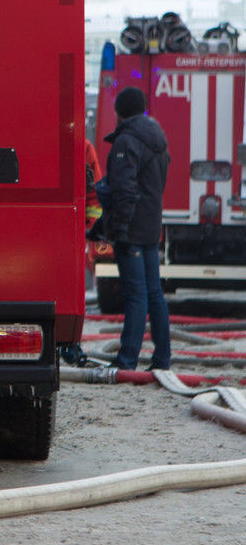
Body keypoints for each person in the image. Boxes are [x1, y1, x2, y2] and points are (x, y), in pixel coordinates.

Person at [100, 86, 172, 371]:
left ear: (119, 112)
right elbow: (159, 183)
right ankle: (162, 359)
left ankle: (127, 360)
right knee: (154, 293)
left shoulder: (127, 142)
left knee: (135, 295)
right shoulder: (158, 140)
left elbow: (125, 190)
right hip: (151, 226)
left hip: (131, 230)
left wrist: (118, 228)